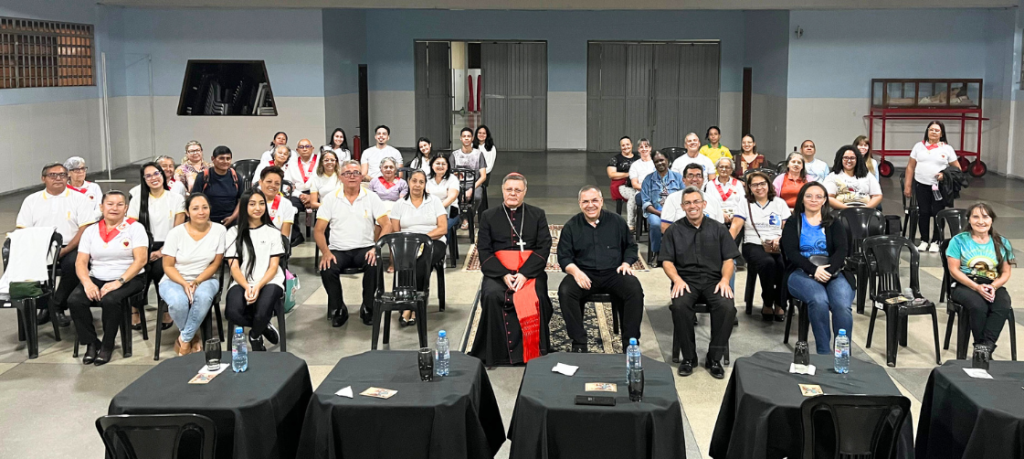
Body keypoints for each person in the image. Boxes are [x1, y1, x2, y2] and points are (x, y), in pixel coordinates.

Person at [470, 173, 553, 366]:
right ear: (502, 190)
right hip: (499, 271)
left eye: (518, 190)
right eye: (509, 189)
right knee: (491, 295)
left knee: (537, 297)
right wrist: (503, 274)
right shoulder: (488, 216)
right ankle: (497, 353)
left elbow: (544, 247)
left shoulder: (537, 214)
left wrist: (524, 274)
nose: (513, 193)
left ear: (524, 192)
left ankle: (532, 351)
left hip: (529, 271)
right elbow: (484, 249)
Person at [659, 186, 737, 379]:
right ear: (682, 206)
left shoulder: (719, 228)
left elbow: (729, 259)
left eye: (696, 202)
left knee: (727, 307)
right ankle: (689, 358)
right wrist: (676, 279)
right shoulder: (673, 230)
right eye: (688, 203)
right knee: (679, 306)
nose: (692, 206)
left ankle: (714, 358)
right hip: (685, 281)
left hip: (714, 281)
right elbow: (667, 261)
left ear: (704, 204)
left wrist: (726, 280)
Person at [557, 186, 643, 352]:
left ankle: (630, 343)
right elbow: (564, 257)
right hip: (584, 273)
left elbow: (631, 247)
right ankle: (579, 342)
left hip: (614, 272)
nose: (591, 205)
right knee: (566, 291)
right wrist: (576, 272)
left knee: (634, 289)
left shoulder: (617, 221)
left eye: (595, 200)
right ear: (580, 204)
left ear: (602, 202)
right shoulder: (571, 226)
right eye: (586, 201)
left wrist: (626, 263)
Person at [68, 191, 149, 366]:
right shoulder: (90, 231)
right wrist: (87, 283)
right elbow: (81, 262)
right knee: (75, 300)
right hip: (97, 275)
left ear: (126, 208)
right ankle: (91, 343)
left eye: (120, 204)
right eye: (110, 204)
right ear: (101, 207)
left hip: (129, 277)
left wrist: (119, 281)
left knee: (110, 300)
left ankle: (107, 344)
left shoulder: (135, 228)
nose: (114, 208)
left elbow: (141, 260)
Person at [16, 163, 99, 326]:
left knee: (75, 265)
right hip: (40, 247)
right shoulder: (31, 200)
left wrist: (66, 249)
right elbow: (23, 229)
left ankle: (56, 306)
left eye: (62, 175)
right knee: (30, 267)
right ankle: (44, 307)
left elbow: (84, 229)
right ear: (43, 178)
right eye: (53, 175)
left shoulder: (79, 199)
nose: (58, 179)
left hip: (72, 246)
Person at [780, 182, 855, 355]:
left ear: (824, 200)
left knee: (842, 305)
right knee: (819, 300)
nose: (813, 200)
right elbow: (791, 252)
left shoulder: (834, 222)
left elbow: (842, 250)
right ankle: (824, 353)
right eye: (809, 196)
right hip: (801, 272)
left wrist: (828, 272)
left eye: (818, 196)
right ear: (802, 199)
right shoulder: (793, 222)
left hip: (833, 271)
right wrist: (814, 270)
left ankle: (843, 355)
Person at [316, 160, 392, 327]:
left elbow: (387, 224)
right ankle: (338, 308)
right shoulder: (330, 199)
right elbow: (319, 230)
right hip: (338, 250)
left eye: (356, 173)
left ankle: (368, 307)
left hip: (365, 248)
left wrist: (376, 248)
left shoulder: (371, 197)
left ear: (361, 177)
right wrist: (326, 252)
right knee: (327, 268)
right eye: (347, 173)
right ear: (341, 177)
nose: (352, 176)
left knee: (374, 264)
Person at [159, 193, 226, 356]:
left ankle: (183, 340)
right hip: (174, 279)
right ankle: (192, 337)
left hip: (206, 278)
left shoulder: (219, 230)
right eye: (195, 208)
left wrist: (196, 281)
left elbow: (216, 264)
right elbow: (168, 265)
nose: (201, 212)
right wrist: (184, 283)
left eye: (204, 207)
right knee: (178, 302)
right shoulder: (175, 233)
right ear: (187, 212)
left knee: (203, 297)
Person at [946, 202, 1015, 349]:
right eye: (975, 217)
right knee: (978, 306)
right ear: (969, 220)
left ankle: (984, 348)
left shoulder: (1002, 242)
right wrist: (977, 287)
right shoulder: (958, 241)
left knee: (1002, 305)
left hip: (992, 283)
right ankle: (982, 348)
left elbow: (1006, 272)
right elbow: (954, 271)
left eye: (985, 217)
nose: (981, 221)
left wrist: (993, 286)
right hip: (965, 284)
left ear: (991, 220)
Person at [224, 189, 285, 352]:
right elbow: (234, 267)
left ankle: (255, 335)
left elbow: (273, 267)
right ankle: (264, 327)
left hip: (270, 280)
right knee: (232, 312)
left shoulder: (273, 232)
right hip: (241, 280)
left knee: (261, 311)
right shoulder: (232, 233)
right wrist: (247, 286)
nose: (257, 208)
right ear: (244, 207)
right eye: (252, 204)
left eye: (261, 203)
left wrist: (258, 286)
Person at [128, 162, 186, 331]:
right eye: (149, 176)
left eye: (156, 173)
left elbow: (178, 230)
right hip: (142, 245)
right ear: (144, 179)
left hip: (168, 246)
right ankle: (135, 309)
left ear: (163, 175)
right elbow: (132, 227)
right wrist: (144, 252)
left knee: (160, 270)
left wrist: (162, 251)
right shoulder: (138, 199)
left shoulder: (176, 199)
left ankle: (165, 308)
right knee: (139, 270)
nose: (154, 178)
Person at [729, 171, 790, 321]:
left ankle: (780, 303)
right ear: (749, 187)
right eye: (755, 185)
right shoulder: (745, 203)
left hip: (777, 243)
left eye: (762, 184)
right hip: (753, 243)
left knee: (783, 264)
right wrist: (726, 246)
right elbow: (736, 226)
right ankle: (768, 302)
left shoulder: (779, 202)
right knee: (767, 262)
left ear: (768, 185)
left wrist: (780, 238)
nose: (759, 188)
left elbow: (787, 227)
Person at [389, 170, 448, 326]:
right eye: (414, 181)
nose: (417, 185)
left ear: (425, 184)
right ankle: (406, 301)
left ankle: (414, 306)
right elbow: (396, 230)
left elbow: (442, 228)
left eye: (421, 182)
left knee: (422, 262)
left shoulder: (434, 201)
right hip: (408, 242)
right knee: (405, 261)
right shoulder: (400, 204)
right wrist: (412, 242)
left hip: (433, 240)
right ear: (408, 182)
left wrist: (423, 239)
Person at [904, 121, 962, 252]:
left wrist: (944, 175)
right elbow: (910, 166)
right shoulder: (919, 146)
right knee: (923, 212)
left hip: (939, 187)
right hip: (921, 184)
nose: (934, 132)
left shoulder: (947, 149)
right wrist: (908, 185)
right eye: (931, 129)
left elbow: (957, 168)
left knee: (938, 213)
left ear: (941, 133)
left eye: (937, 130)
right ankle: (924, 240)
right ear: (927, 131)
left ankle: (936, 240)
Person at [640, 150, 684, 265]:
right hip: (656, 212)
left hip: (675, 211)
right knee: (655, 224)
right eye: (656, 161)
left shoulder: (678, 177)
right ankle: (657, 253)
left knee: (682, 223)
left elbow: (684, 196)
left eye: (662, 160)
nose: (660, 163)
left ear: (668, 161)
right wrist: (660, 213)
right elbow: (645, 202)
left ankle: (678, 255)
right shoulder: (648, 180)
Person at [190, 146, 241, 227]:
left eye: (228, 158)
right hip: (207, 221)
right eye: (221, 158)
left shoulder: (236, 176)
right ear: (213, 159)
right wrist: (205, 219)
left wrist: (232, 218)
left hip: (232, 221)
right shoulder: (203, 177)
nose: (225, 161)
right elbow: (194, 200)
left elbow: (241, 200)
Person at [824, 145, 882, 209]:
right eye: (845, 158)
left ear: (857, 160)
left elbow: (877, 196)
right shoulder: (832, 176)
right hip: (841, 211)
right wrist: (848, 209)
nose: (849, 161)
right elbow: (829, 197)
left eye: (852, 158)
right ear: (840, 159)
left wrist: (866, 209)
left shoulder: (868, 175)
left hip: (865, 210)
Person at [451, 127, 488, 230]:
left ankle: (470, 215)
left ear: (472, 138)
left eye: (468, 136)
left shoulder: (479, 154)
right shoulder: (454, 155)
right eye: (464, 136)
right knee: (456, 197)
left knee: (476, 197)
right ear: (460, 138)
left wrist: (471, 189)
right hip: (458, 184)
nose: (466, 138)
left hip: (474, 183)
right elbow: (451, 175)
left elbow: (483, 176)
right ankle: (464, 218)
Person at [255, 166, 296, 240]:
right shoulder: (251, 202)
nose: (273, 186)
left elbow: (285, 236)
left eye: (277, 183)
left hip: (276, 247)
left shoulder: (286, 204)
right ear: (260, 182)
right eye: (269, 182)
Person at [607, 136, 639, 224]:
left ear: (632, 145)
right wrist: (628, 174)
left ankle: (639, 221)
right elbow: (611, 174)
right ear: (620, 147)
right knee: (633, 195)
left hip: (637, 184)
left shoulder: (638, 159)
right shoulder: (615, 159)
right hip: (621, 185)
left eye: (627, 144)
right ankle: (631, 223)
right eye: (623, 145)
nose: (625, 147)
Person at [426, 153, 461, 231]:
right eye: (437, 163)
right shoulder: (426, 178)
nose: (440, 166)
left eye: (443, 164)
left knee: (441, 229)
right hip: (429, 210)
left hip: (449, 211)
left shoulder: (452, 179)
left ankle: (444, 243)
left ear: (447, 166)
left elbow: (451, 197)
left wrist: (437, 209)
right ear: (432, 166)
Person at [285, 138, 321, 215]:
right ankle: (294, 227)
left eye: (307, 146)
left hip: (317, 194)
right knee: (290, 206)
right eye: (301, 147)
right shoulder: (292, 164)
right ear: (297, 150)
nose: (304, 149)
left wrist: (313, 196)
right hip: (298, 194)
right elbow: (288, 184)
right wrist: (300, 195)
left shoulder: (320, 162)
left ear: (312, 148)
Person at [705, 157, 746, 223]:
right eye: (721, 167)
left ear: (731, 170)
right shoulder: (710, 184)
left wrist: (737, 215)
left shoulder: (738, 184)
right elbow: (709, 204)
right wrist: (720, 214)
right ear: (717, 169)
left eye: (727, 167)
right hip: (717, 217)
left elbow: (743, 202)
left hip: (736, 217)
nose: (724, 169)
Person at [627, 138, 656, 229]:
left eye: (646, 146)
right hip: (641, 193)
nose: (644, 149)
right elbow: (635, 184)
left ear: (650, 148)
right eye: (641, 147)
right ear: (638, 150)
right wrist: (647, 189)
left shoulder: (656, 163)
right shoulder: (635, 165)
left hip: (657, 191)